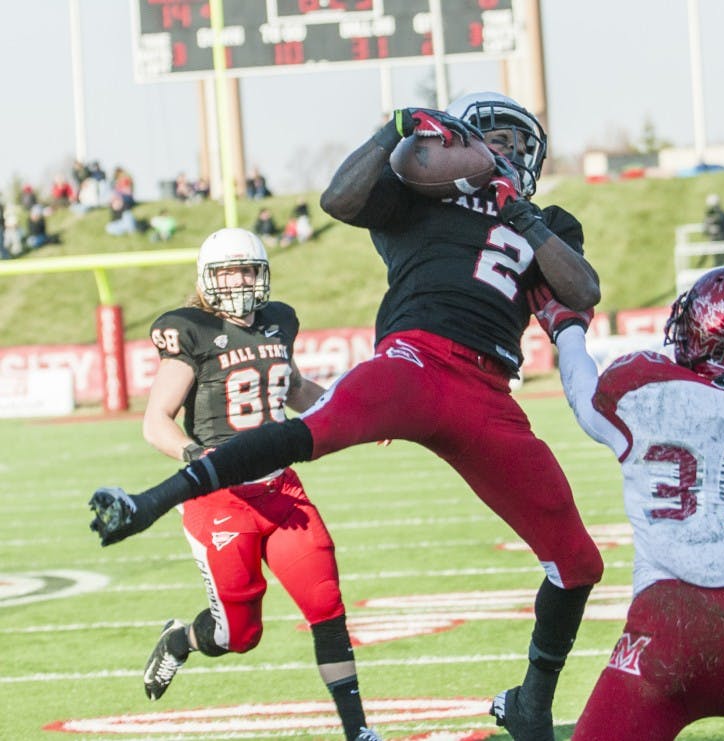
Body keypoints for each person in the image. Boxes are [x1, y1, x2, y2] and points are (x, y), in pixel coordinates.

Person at [87, 92, 605, 741]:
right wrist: (393, 126)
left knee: (580, 561)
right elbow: (340, 198)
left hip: (490, 392)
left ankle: (532, 701)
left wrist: (523, 216)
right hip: (413, 358)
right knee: (308, 434)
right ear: (455, 142)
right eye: (494, 136)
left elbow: (582, 288)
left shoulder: (548, 218)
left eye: (518, 142)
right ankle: (147, 502)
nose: (508, 149)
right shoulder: (420, 195)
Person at [526, 266, 724, 740]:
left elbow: (584, 396)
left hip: (662, 628)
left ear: (703, 328)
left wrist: (567, 328)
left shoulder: (641, 388)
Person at [137, 227, 381, 741]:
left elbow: (292, 386)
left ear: (262, 274)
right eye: (227, 271)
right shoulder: (190, 332)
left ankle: (358, 731)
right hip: (219, 498)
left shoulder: (276, 323)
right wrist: (194, 455)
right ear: (207, 279)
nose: (238, 281)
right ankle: (180, 640)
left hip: (280, 490)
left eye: (246, 269)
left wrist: (357, 416)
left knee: (326, 605)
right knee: (238, 635)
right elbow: (156, 419)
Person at [701, 193, 724, 266]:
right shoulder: (710, 215)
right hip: (715, 239)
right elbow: (705, 228)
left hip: (722, 239)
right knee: (718, 258)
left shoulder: (721, 214)